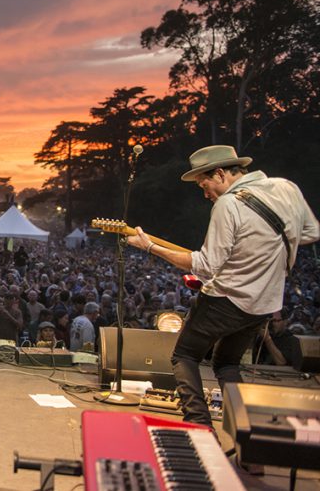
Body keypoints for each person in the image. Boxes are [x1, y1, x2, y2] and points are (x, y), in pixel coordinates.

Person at [127, 145, 318, 427]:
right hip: (263, 305)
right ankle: (245, 430)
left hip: (225, 300)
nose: (205, 194)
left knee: (184, 355)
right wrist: (266, 246)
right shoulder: (285, 188)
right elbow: (312, 232)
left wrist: (150, 247)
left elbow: (205, 265)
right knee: (226, 364)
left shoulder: (228, 204)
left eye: (204, 185)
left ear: (220, 174)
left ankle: (200, 425)